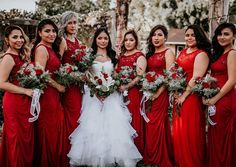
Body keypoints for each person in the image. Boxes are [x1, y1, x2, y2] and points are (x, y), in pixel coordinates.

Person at [68, 27, 142, 167]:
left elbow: (116, 75)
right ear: (95, 40)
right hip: (93, 96)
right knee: (93, 125)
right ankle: (94, 157)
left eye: (105, 38)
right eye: (100, 38)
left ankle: (116, 156)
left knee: (114, 125)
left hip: (111, 95)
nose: (103, 41)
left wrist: (109, 89)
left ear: (109, 40)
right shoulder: (88, 56)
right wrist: (96, 90)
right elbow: (87, 76)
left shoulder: (114, 56)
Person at [172, 24, 211, 167]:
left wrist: (184, 95)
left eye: (192, 35)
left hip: (192, 97)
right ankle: (182, 161)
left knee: (190, 131)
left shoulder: (201, 54)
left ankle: (192, 162)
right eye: (187, 35)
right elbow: (175, 72)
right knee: (180, 130)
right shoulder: (182, 52)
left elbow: (196, 77)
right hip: (179, 94)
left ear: (199, 36)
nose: (189, 38)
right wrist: (176, 90)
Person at [31, 19, 65, 167]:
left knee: (54, 128)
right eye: (47, 31)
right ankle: (47, 161)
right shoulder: (41, 49)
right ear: (39, 33)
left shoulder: (51, 48)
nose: (51, 34)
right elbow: (41, 74)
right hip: (47, 95)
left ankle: (53, 159)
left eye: (53, 31)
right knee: (49, 129)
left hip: (54, 95)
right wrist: (57, 86)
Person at [0, 25, 34, 167]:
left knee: (25, 138)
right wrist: (25, 91)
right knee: (16, 138)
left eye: (21, 37)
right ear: (7, 40)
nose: (19, 40)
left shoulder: (21, 55)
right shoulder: (8, 58)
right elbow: (1, 83)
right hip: (14, 103)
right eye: (15, 37)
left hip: (25, 102)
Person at [203, 22, 236, 167]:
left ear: (234, 36)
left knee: (223, 136)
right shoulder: (218, 54)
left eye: (226, 34)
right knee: (214, 134)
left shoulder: (232, 53)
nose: (222, 37)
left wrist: (215, 98)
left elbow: (232, 80)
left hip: (225, 99)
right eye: (220, 34)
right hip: (215, 98)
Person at [143, 25, 175, 167]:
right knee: (149, 124)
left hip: (161, 93)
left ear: (165, 37)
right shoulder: (149, 54)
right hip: (149, 92)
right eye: (154, 35)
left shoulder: (168, 52)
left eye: (160, 35)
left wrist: (158, 93)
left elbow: (169, 76)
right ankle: (150, 156)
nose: (156, 38)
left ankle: (160, 157)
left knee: (158, 123)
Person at [58, 11, 83, 166]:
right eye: (70, 23)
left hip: (78, 85)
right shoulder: (63, 40)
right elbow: (58, 65)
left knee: (79, 116)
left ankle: (77, 151)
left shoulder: (78, 41)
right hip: (68, 85)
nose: (73, 26)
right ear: (65, 24)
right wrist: (72, 75)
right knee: (72, 117)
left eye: (75, 22)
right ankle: (68, 152)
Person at [116, 29, 147, 155]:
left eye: (131, 40)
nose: (128, 43)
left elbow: (140, 76)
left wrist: (127, 86)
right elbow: (117, 71)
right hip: (120, 92)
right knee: (122, 120)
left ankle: (136, 151)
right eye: (126, 40)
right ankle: (123, 151)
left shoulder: (139, 56)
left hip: (133, 93)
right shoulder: (122, 56)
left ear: (136, 41)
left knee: (133, 120)